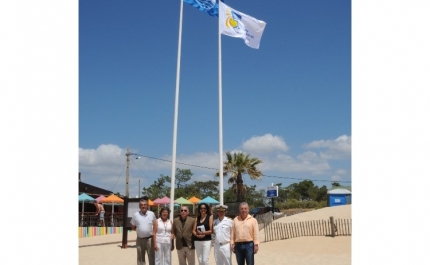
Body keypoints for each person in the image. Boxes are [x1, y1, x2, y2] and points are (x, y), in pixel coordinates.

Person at [131, 198, 157, 265]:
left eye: (145, 205)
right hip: (140, 239)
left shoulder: (152, 214)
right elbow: (133, 226)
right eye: (141, 205)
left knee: (151, 256)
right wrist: (140, 230)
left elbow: (155, 224)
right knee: (140, 257)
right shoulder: (135, 215)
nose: (143, 206)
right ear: (139, 206)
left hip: (150, 239)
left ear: (147, 206)